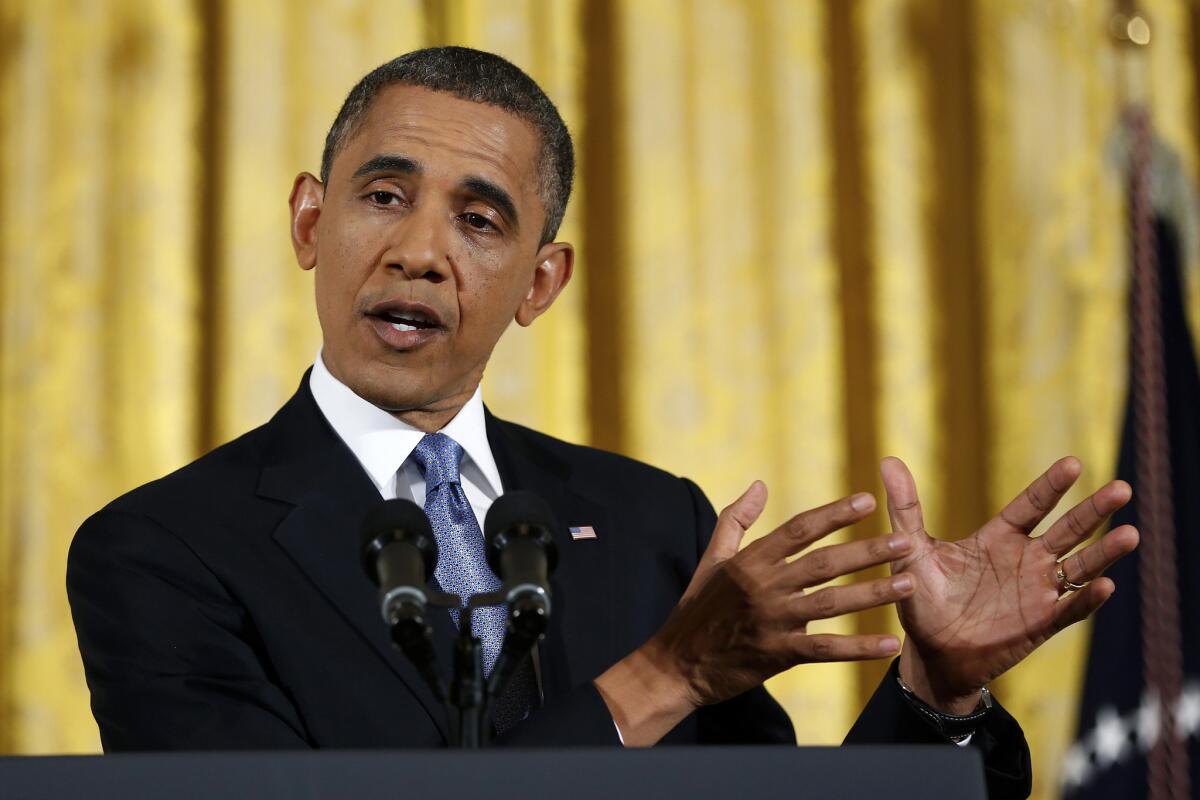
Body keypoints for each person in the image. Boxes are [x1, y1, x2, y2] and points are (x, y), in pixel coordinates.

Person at [67, 47, 1139, 799]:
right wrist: (664, 674)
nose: (420, 250)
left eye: (479, 219)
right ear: (311, 219)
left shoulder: (647, 520)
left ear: (540, 281)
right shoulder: (160, 550)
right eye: (384, 196)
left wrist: (939, 696)